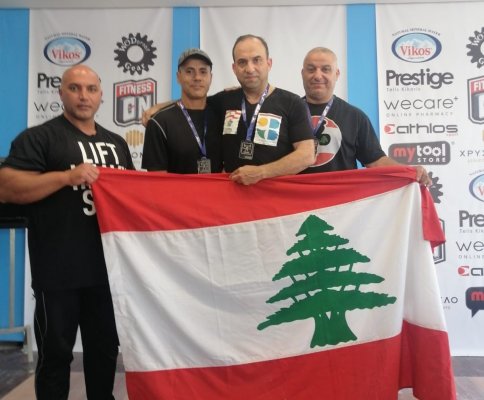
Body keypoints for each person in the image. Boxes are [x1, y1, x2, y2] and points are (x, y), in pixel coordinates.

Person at [0, 65, 134, 399]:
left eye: (91, 89)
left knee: (105, 352)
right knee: (56, 356)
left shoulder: (117, 143)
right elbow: (7, 187)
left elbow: (133, 198)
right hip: (58, 271)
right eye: (74, 88)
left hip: (107, 271)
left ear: (101, 95)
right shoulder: (39, 138)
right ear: (61, 93)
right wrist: (65, 177)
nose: (83, 96)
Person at [143, 34, 315, 185]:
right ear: (234, 68)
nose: (250, 68)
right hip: (231, 202)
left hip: (275, 202)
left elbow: (307, 155)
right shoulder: (225, 100)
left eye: (256, 60)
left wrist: (262, 172)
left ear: (269, 63)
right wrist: (159, 107)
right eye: (242, 62)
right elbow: (194, 99)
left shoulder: (292, 103)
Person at [300, 46, 431, 185]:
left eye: (326, 69)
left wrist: (409, 171)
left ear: (337, 74)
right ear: (303, 73)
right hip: (297, 197)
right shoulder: (288, 114)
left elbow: (376, 161)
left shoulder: (354, 117)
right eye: (311, 69)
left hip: (340, 197)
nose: (317, 76)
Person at [142, 48, 222, 173]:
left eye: (203, 72)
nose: (197, 77)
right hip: (175, 188)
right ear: (178, 77)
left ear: (210, 77)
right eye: (189, 71)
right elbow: (157, 180)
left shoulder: (223, 115)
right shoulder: (159, 122)